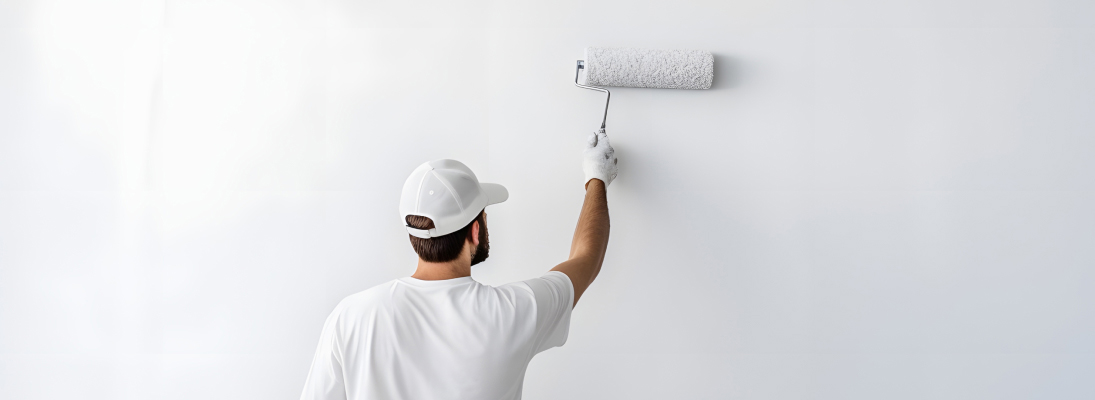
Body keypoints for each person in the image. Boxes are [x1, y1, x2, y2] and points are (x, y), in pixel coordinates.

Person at [300, 132, 619, 400]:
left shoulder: (350, 317)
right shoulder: (512, 313)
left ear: (412, 231)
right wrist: (596, 177)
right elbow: (586, 258)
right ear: (475, 231)